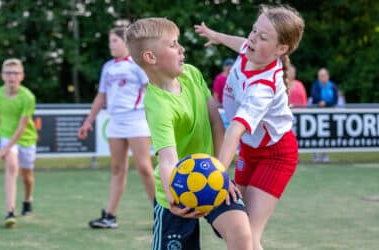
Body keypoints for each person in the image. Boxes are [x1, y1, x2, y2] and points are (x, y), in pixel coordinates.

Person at [126, 17, 252, 250]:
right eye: (173, 44)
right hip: (178, 192)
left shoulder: (192, 74)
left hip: (214, 179)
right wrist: (175, 197)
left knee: (244, 237)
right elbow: (168, 159)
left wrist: (220, 175)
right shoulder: (158, 105)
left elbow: (216, 124)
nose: (182, 49)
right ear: (150, 57)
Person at [195, 4, 304, 250]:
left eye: (262, 36)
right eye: (254, 30)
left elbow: (235, 128)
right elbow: (241, 42)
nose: (253, 38)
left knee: (247, 236)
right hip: (250, 151)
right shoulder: (251, 49)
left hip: (276, 156)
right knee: (234, 230)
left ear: (282, 49)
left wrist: (218, 174)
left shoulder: (263, 87)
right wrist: (216, 36)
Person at [78, 27, 155, 229]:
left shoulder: (138, 65)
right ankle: (110, 216)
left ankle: (162, 213)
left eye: (114, 41)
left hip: (136, 119)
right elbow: (101, 96)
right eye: (110, 41)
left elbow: (151, 89)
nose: (111, 45)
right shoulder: (108, 67)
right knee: (117, 169)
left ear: (126, 42)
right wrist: (89, 120)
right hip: (115, 122)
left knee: (144, 168)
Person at [0, 58, 38, 228]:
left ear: (21, 76)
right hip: (6, 135)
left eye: (15, 73)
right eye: (8, 73)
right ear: (2, 75)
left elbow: (21, 128)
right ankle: (10, 212)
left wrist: (2, 150)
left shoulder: (28, 97)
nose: (11, 77)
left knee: (27, 176)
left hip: (26, 138)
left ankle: (28, 200)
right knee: (12, 166)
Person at [310, 67, 339, 163]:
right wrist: (320, 102)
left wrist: (326, 103)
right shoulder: (316, 85)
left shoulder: (333, 86)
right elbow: (315, 96)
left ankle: (324, 155)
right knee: (315, 134)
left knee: (327, 135)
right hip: (317, 115)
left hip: (329, 114)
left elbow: (335, 100)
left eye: (324, 75)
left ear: (328, 76)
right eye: (320, 76)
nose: (322, 77)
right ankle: (315, 156)